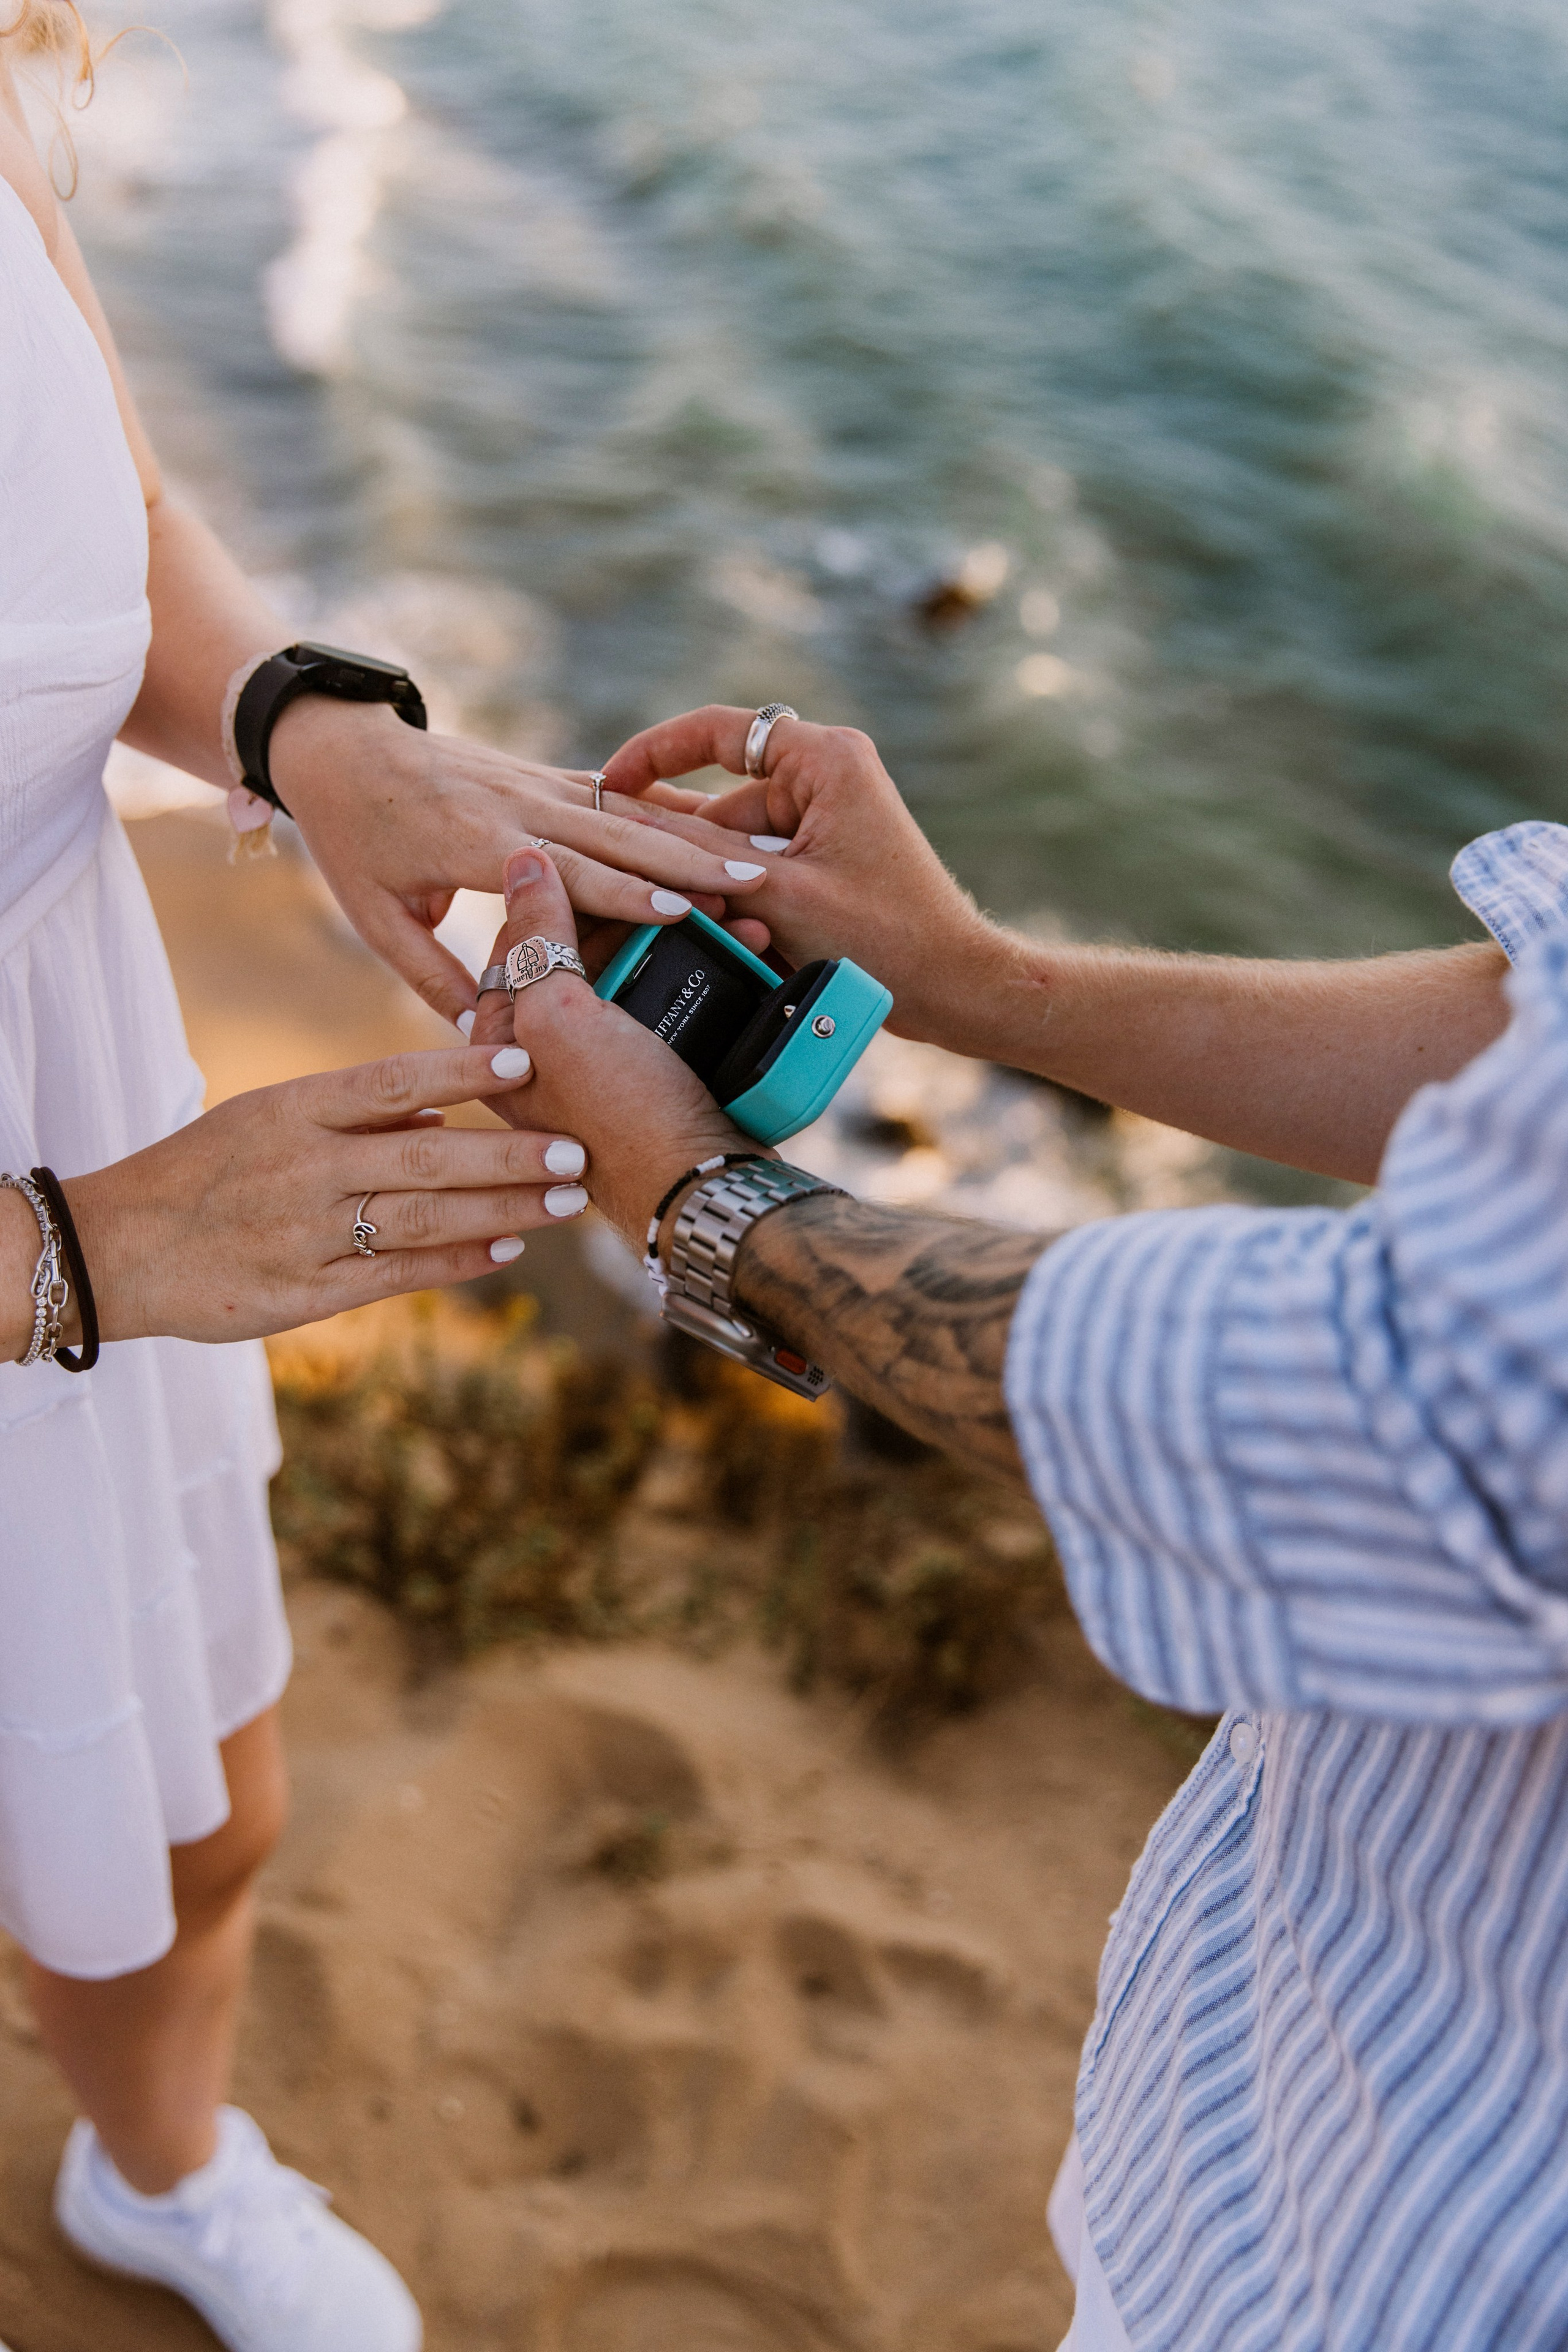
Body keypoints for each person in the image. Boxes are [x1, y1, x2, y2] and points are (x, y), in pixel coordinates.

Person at [0, 12, 771, 2347]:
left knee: (189, 1818)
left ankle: (163, 2174)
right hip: (69, 1233)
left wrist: (312, 730)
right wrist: (88, 1244)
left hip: (70, 1104)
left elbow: (104, 516)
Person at [478, 704, 1568, 2352]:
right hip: (1290, 2105)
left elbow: (1412, 1396)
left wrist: (711, 1211)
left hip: (1420, 2253)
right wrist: (984, 985)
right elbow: (1544, 1034)